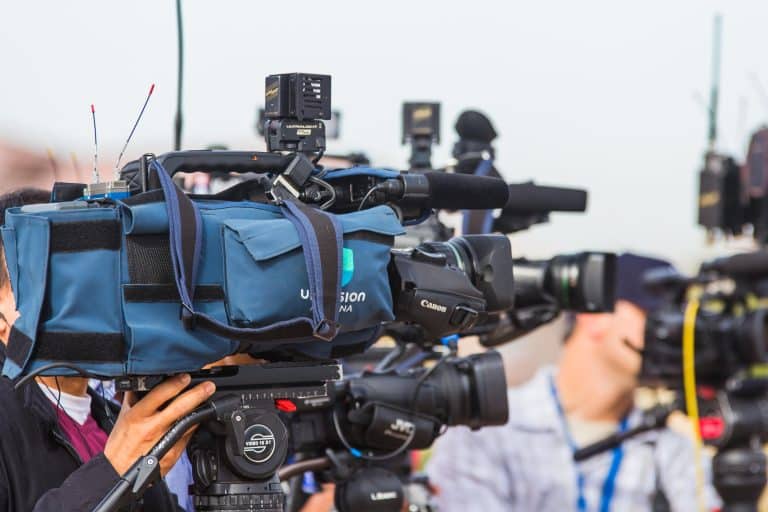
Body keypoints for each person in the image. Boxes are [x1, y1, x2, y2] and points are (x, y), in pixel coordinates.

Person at [427, 253, 721, 511]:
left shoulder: (671, 449)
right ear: (593, 316)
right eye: (653, 315)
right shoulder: (486, 430)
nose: (672, 334)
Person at [0, 188, 216, 511]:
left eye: (89, 273)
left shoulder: (118, 418)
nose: (77, 297)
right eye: (47, 280)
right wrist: (113, 470)